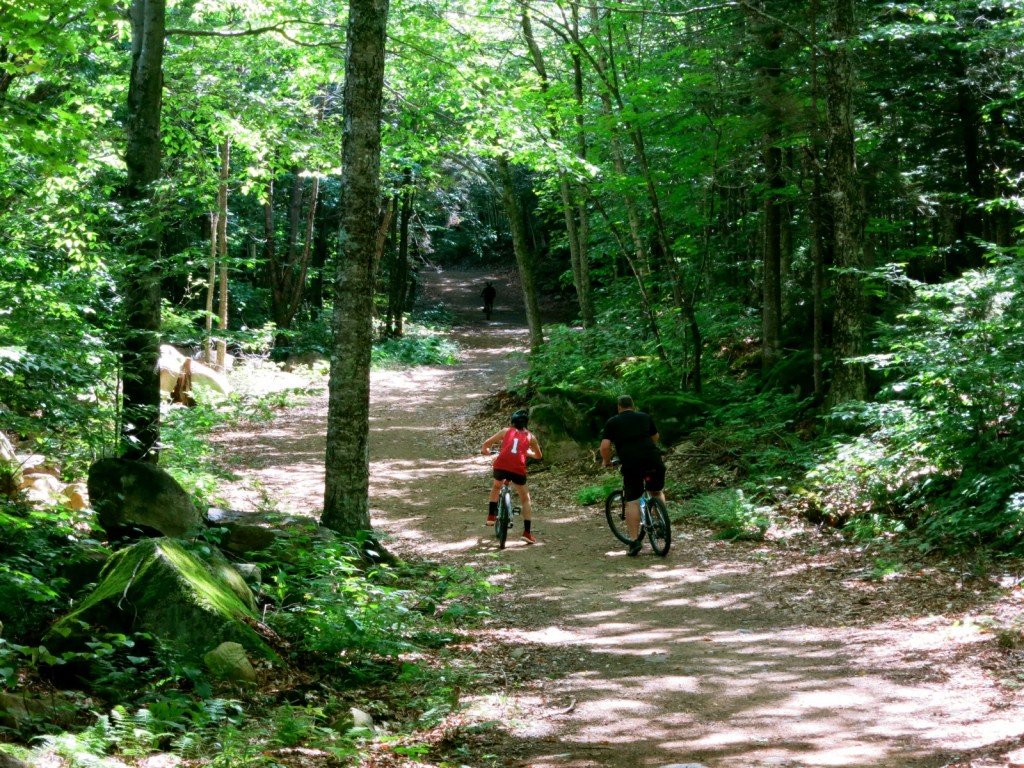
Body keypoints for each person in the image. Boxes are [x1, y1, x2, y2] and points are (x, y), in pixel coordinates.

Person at [600, 395, 667, 556]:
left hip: (632, 463)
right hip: (653, 459)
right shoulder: (645, 417)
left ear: (619, 407)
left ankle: (634, 541)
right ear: (633, 405)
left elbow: (605, 446)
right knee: (656, 491)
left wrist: (607, 461)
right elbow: (655, 437)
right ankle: (661, 523)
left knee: (633, 500)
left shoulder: (613, 422)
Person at [481, 408, 543, 544]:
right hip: (518, 470)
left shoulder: (505, 431)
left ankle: (491, 516)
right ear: (526, 424)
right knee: (525, 499)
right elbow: (539, 456)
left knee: (496, 487)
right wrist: (527, 453)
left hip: (501, 466)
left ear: (512, 422)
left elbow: (485, 445)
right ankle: (527, 532)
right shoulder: (531, 437)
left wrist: (486, 451)